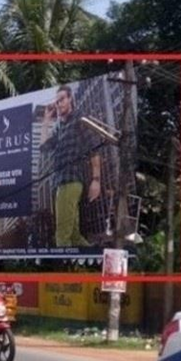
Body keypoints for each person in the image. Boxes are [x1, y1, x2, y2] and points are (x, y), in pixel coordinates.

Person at [42, 85, 103, 247]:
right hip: (60, 182)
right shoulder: (60, 127)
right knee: (74, 236)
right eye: (56, 101)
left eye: (62, 99)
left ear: (70, 99)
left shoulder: (79, 118)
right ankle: (94, 264)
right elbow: (44, 147)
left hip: (71, 181)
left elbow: (94, 148)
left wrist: (96, 180)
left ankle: (63, 270)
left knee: (61, 236)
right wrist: (47, 121)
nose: (58, 104)